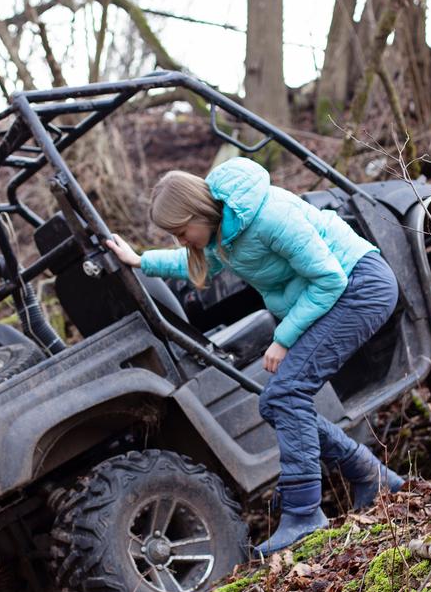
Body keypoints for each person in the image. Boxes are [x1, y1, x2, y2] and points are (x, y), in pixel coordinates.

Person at [104, 157, 404, 556]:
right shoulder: (223, 235)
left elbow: (330, 278)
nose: (182, 241)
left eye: (181, 231)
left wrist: (283, 338)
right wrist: (141, 260)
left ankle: (303, 515)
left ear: (198, 212)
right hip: (336, 295)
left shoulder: (267, 217)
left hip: (360, 287)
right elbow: (195, 265)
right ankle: (371, 475)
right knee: (277, 400)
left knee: (285, 394)